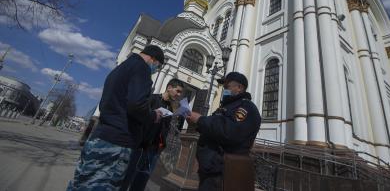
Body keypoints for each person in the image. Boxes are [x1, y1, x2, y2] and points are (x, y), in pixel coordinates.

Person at [67, 45, 165, 191]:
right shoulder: (142, 68)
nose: (157, 70)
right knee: (103, 185)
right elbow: (136, 104)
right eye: (158, 66)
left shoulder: (120, 69)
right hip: (117, 142)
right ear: (153, 59)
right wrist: (153, 115)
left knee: (82, 183)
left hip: (100, 136)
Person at [186, 72, 261, 191]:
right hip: (210, 169)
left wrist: (200, 119)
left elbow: (230, 131)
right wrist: (197, 124)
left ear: (239, 88)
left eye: (227, 87)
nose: (224, 90)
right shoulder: (226, 106)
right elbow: (214, 128)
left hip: (223, 171)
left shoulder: (245, 107)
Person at [121, 78, 185, 191]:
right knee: (128, 177)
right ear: (169, 87)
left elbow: (166, 128)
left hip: (154, 150)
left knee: (141, 181)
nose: (179, 95)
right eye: (178, 91)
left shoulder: (171, 108)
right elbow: (139, 118)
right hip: (140, 147)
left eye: (181, 93)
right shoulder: (153, 99)